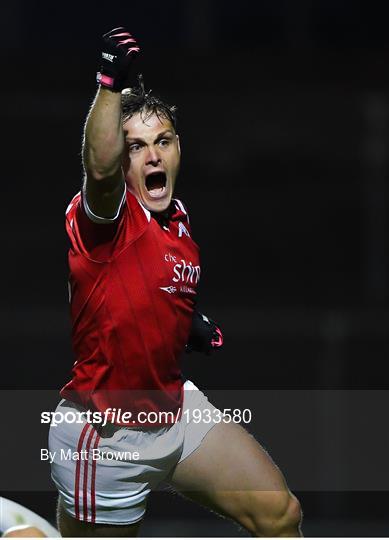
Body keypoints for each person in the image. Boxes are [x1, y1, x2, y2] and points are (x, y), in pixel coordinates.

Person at [48, 27, 302, 537]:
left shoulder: (178, 218)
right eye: (135, 147)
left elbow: (138, 288)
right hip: (107, 440)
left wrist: (180, 323)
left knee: (280, 515)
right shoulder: (109, 214)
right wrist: (108, 83)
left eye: (162, 141)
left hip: (173, 410)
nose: (152, 156)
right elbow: (97, 170)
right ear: (122, 159)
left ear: (179, 147)